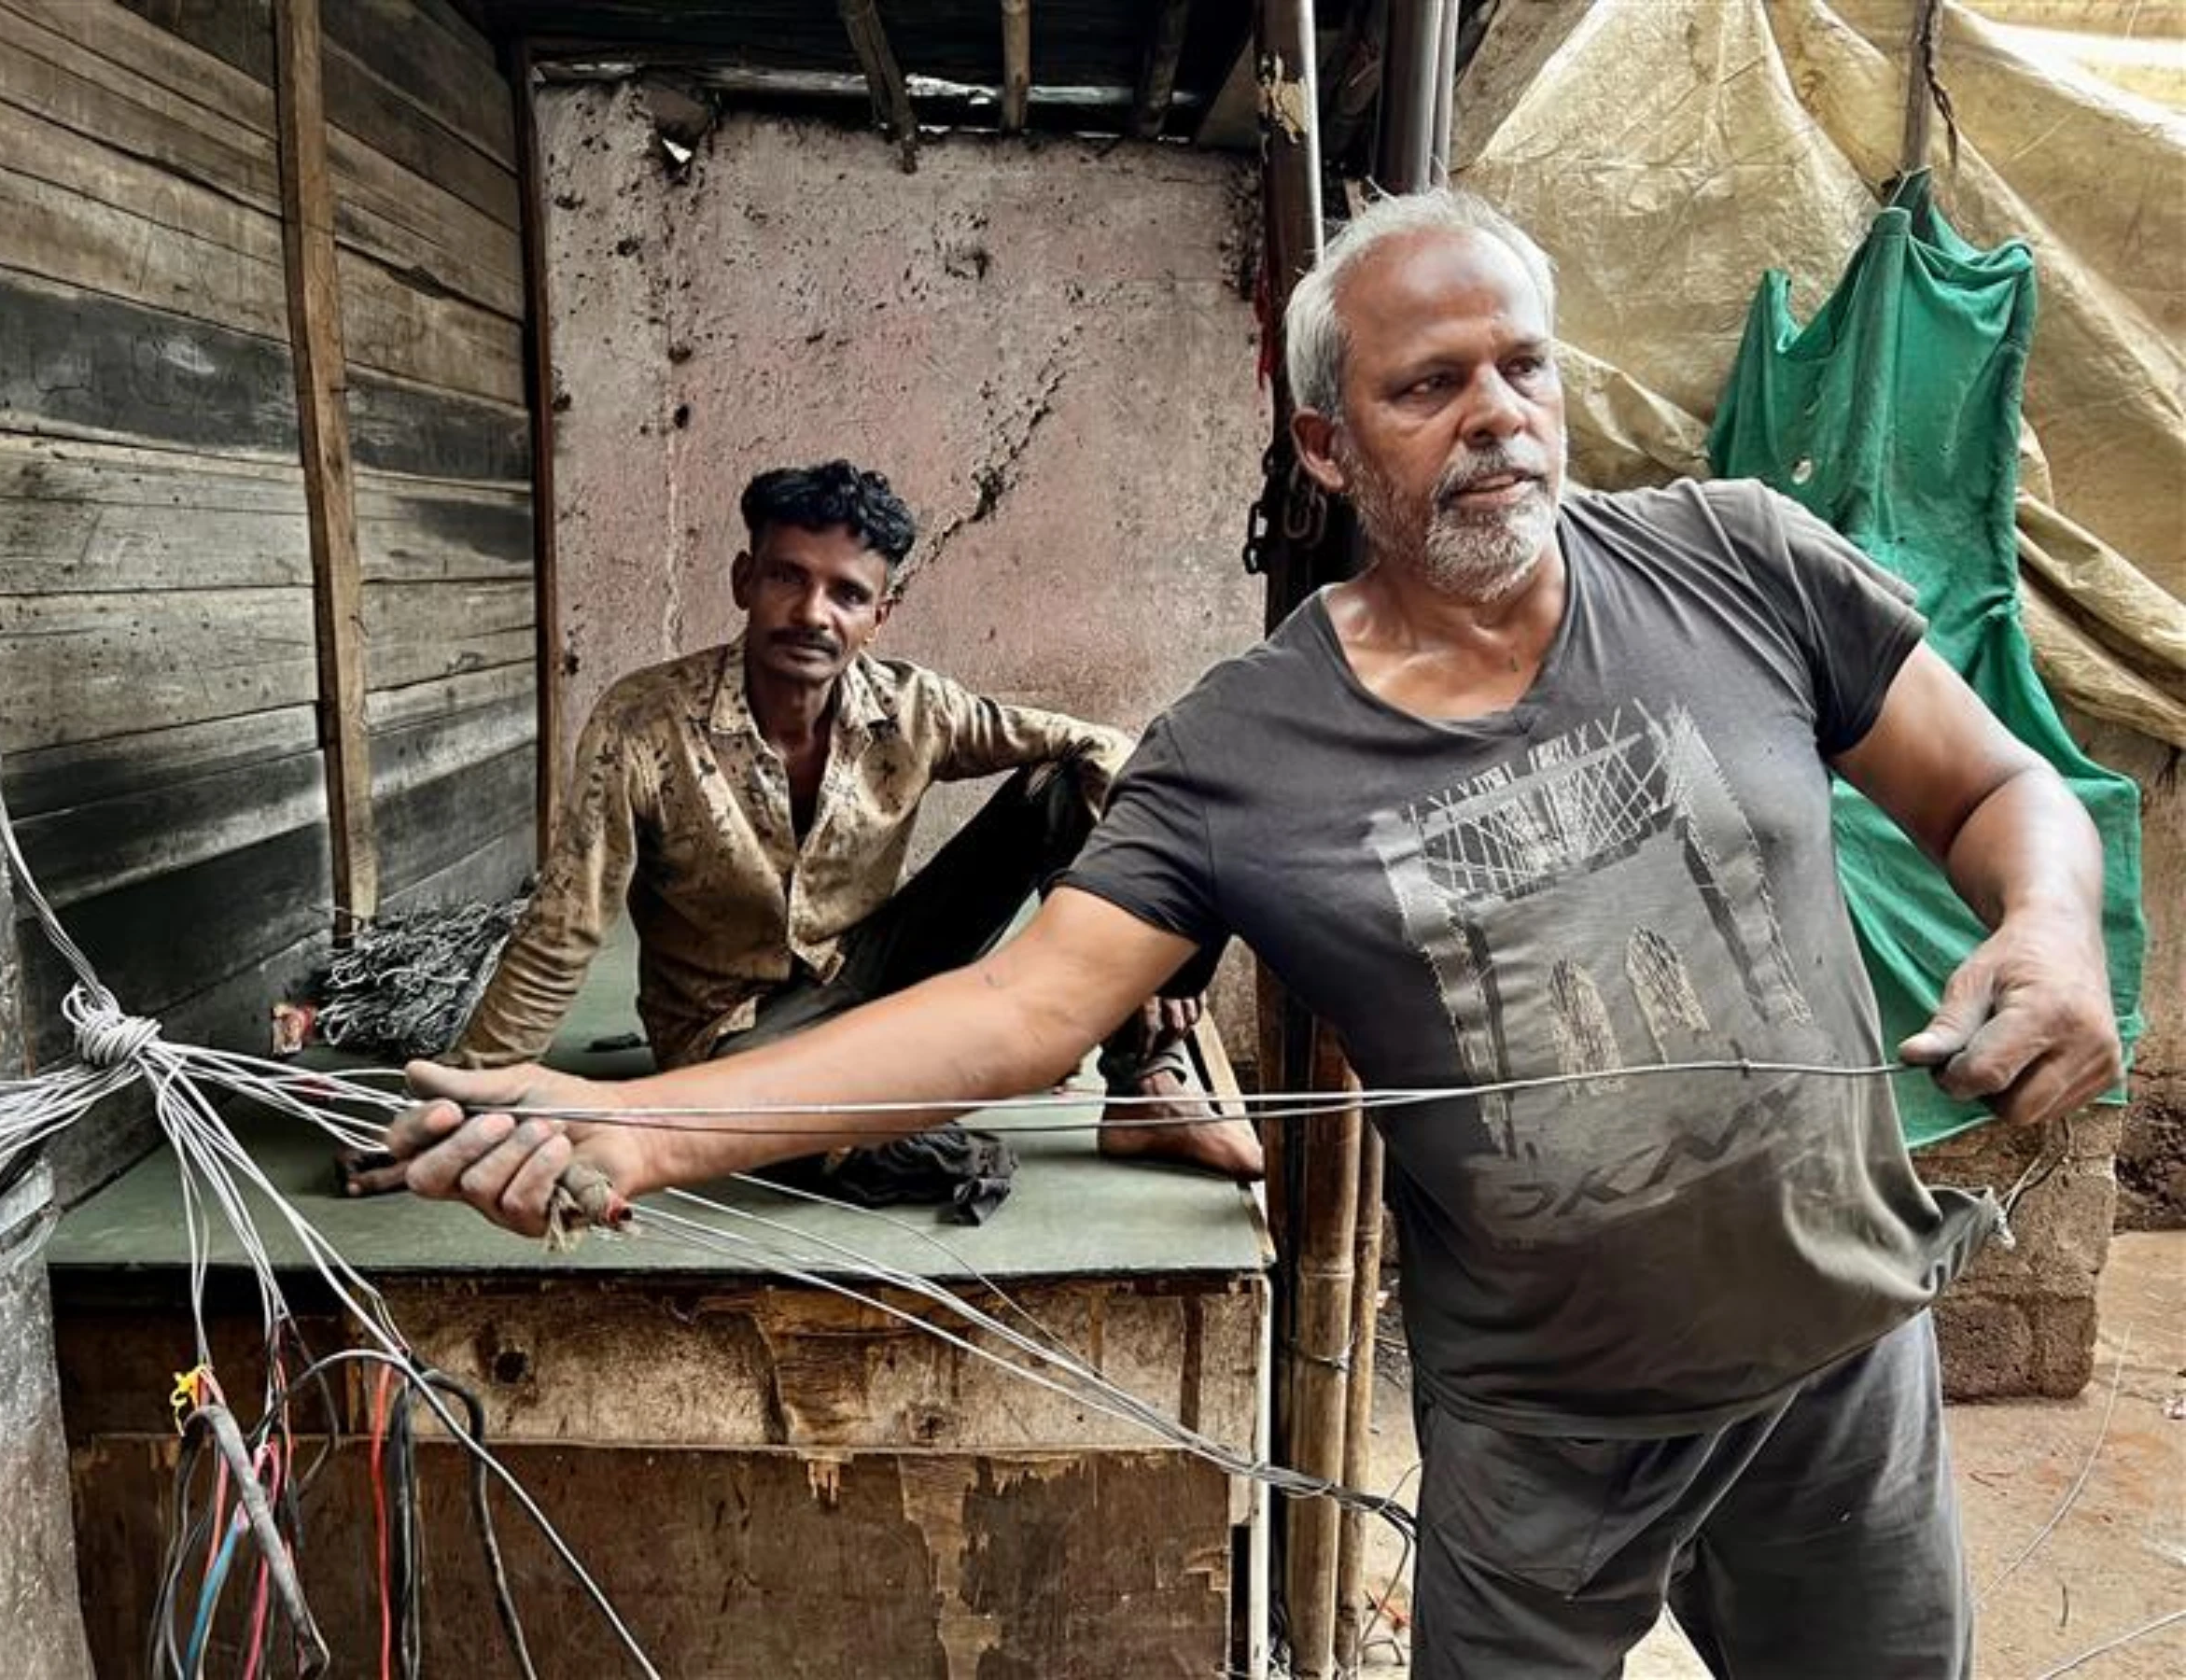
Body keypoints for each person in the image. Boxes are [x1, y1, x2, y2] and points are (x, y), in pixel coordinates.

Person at [378, 193, 2121, 1676]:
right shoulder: (1242, 747)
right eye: (1430, 386)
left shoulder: (1742, 560)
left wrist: (2051, 926)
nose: (1498, 414)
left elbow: (1992, 793)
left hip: (1845, 1369)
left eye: (1524, 365)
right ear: (1327, 442)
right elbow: (1015, 1016)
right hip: (1545, 1438)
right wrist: (636, 1124)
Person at [372, 459, 1260, 1182]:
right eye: (788, 578)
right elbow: (562, 929)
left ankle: (1143, 1091)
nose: (811, 613)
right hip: (731, 1034)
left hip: (876, 970)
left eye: (845, 593)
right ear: (744, 580)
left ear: (880, 616)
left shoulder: (915, 708)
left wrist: (1168, 955)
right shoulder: (643, 724)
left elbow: (1107, 748)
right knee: (853, 1151)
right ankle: (848, 1116)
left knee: (1067, 783)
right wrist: (469, 1114)